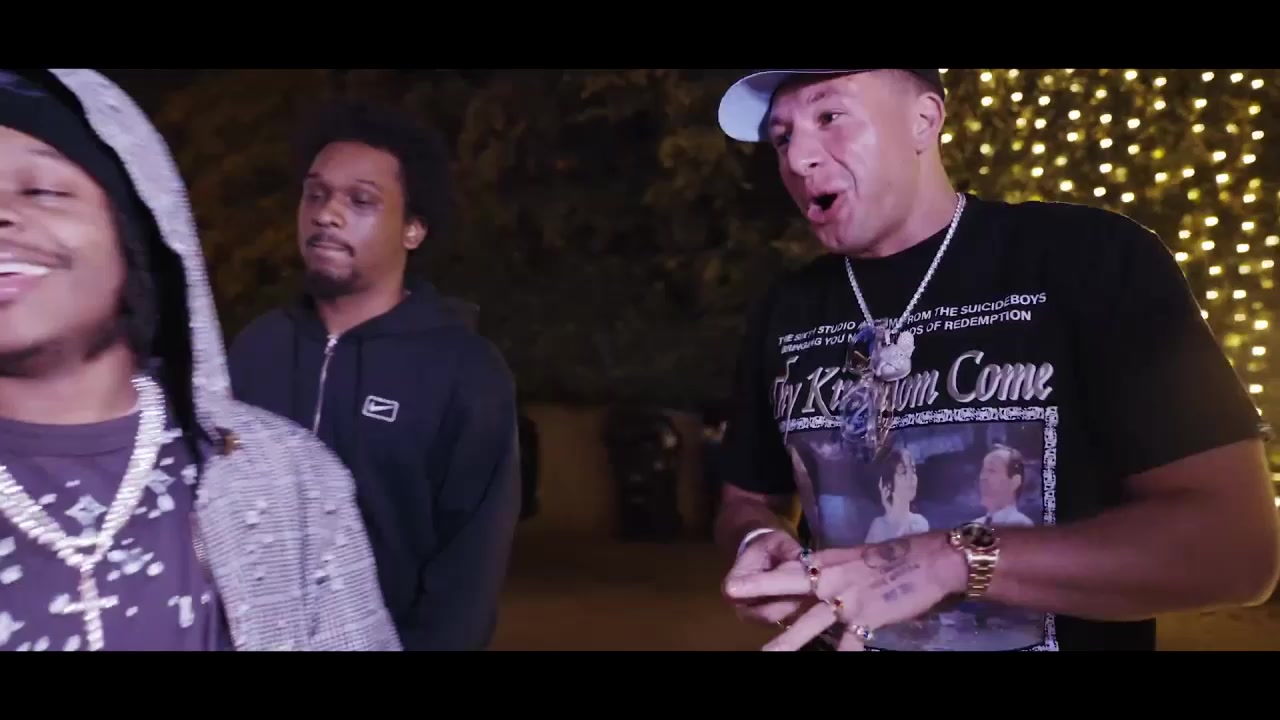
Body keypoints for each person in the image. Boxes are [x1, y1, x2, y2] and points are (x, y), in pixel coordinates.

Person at [712, 68, 1279, 651]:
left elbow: (1237, 550)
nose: (797, 158)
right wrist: (754, 538)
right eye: (782, 137)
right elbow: (747, 500)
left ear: (924, 120)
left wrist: (954, 560)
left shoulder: (1092, 260)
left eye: (830, 116)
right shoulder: (784, 310)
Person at [0, 69, 400, 651]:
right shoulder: (267, 341)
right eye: (316, 195)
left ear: (139, 231)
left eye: (42, 190)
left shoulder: (287, 480)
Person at [227, 99, 521, 651]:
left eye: (361, 200)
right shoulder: (256, 348)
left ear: (413, 229)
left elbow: (468, 576)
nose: (326, 214)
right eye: (316, 194)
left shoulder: (465, 373)